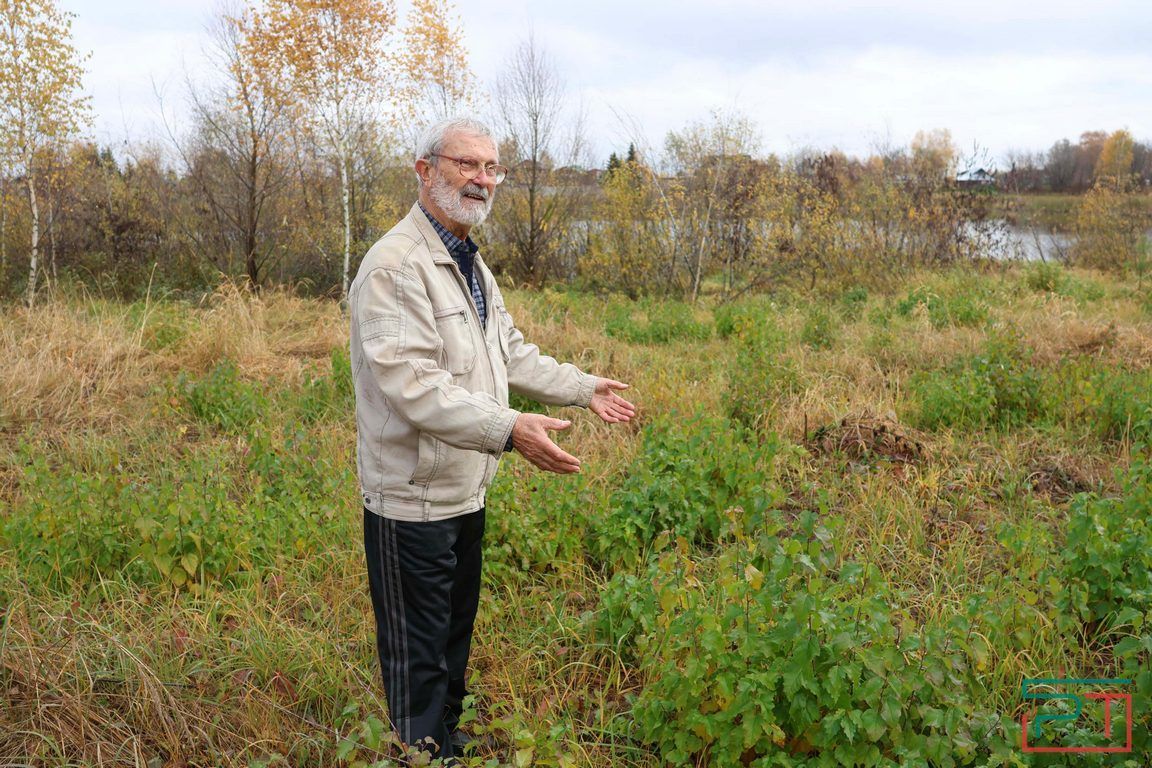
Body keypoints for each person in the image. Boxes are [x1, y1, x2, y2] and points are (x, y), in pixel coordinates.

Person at [348, 116, 636, 760]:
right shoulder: (395, 266)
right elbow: (414, 386)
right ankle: (422, 751)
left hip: (464, 491)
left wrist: (581, 386)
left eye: (491, 167)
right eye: (465, 164)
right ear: (425, 171)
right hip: (411, 502)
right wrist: (510, 429)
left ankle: (446, 739)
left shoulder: (468, 261)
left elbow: (509, 352)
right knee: (417, 653)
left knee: (453, 638)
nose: (481, 179)